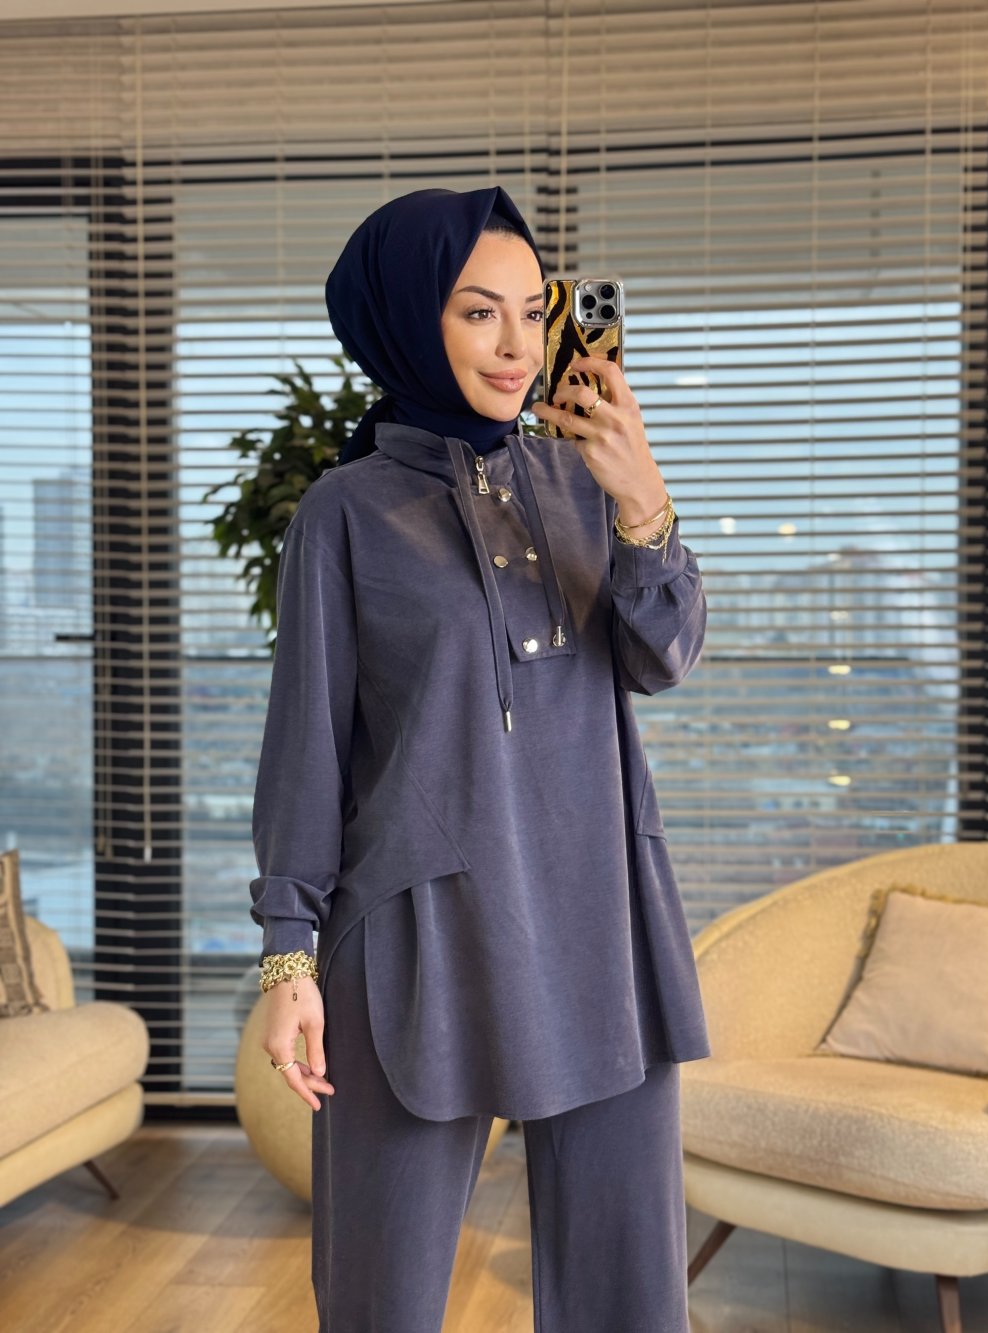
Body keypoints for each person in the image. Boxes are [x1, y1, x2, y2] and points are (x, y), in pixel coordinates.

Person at [248, 184, 711, 1333]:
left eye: (532, 309)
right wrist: (288, 956)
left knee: (626, 1292)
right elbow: (306, 745)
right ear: (410, 319)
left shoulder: (583, 480)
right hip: (419, 934)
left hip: (599, 918)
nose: (516, 344)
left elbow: (661, 658)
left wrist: (642, 500)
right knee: (383, 1290)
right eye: (476, 311)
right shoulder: (345, 514)